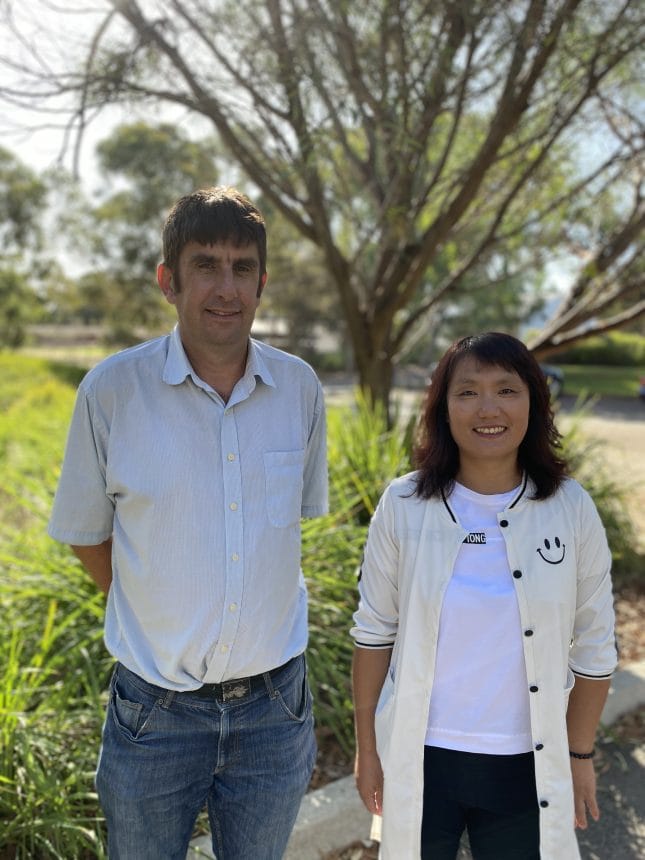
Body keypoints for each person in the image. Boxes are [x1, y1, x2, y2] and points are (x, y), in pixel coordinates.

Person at [48, 186, 328, 860]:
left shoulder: (299, 389)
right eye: (205, 265)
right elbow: (87, 533)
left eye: (241, 267)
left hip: (275, 711)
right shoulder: (112, 392)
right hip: (155, 714)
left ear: (261, 283)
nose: (225, 287)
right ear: (168, 281)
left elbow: (290, 522)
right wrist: (149, 606)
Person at [351, 332, 617, 860]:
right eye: (468, 391)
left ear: (533, 403)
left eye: (507, 390)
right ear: (443, 407)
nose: (488, 409)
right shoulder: (404, 505)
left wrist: (578, 754)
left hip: (525, 765)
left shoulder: (570, 508)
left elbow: (594, 646)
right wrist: (368, 751)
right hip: (423, 759)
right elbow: (374, 633)